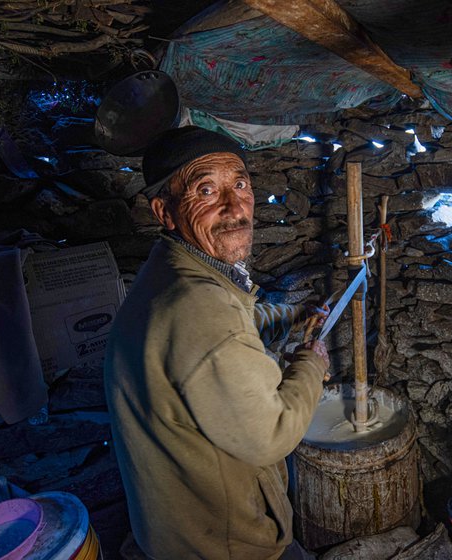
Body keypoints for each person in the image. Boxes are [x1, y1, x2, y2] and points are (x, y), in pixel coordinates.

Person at [104, 126, 330, 560]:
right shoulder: (201, 308)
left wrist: (292, 313)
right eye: (205, 190)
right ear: (164, 211)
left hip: (172, 525)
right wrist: (312, 365)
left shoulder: (175, 271)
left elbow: (234, 326)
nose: (234, 207)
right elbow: (272, 433)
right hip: (221, 544)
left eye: (240, 184)